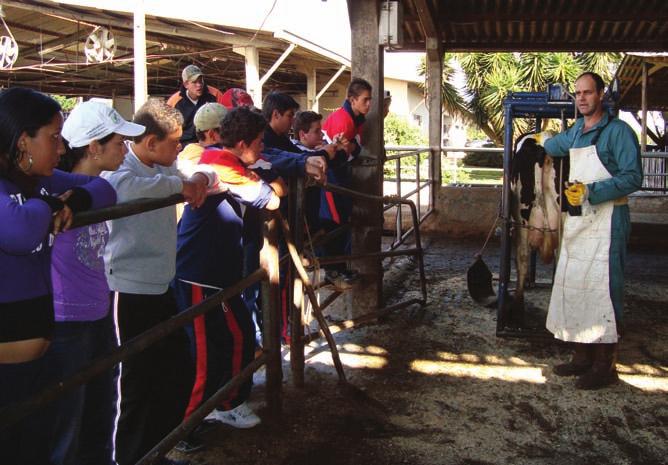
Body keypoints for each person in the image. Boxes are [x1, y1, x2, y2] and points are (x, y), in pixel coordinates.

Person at [0, 88, 116, 465]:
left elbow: (104, 189)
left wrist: (76, 201)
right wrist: (51, 204)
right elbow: (19, 231)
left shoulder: (39, 180)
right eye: (53, 137)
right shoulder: (21, 190)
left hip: (36, 364)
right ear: (22, 141)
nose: (62, 148)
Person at [101, 98, 217, 465]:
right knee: (134, 383)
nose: (179, 148)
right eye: (174, 142)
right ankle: (127, 457)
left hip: (162, 286)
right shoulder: (121, 169)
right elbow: (123, 188)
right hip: (128, 290)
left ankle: (153, 450)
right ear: (151, 143)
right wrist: (177, 184)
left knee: (175, 371)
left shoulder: (161, 167)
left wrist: (195, 178)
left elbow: (207, 175)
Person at [41, 100, 146, 465]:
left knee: (101, 412)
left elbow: (106, 193)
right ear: (93, 147)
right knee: (67, 423)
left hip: (99, 313)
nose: (125, 149)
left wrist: (85, 195)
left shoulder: (92, 189)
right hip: (66, 321)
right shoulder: (49, 191)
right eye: (118, 142)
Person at [174, 107, 284, 436]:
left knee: (237, 336)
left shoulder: (231, 162)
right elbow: (273, 199)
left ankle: (226, 404)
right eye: (260, 143)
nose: (263, 149)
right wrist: (270, 182)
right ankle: (189, 424)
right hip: (199, 271)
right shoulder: (221, 164)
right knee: (208, 348)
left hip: (219, 271)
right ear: (242, 143)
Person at [543, 71, 643, 390]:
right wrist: (537, 139)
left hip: (608, 219)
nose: (582, 98)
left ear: (601, 95)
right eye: (578, 93)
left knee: (604, 289)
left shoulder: (618, 132)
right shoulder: (576, 132)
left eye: (588, 92)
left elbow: (633, 177)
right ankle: (582, 356)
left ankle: (605, 366)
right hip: (580, 220)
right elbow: (554, 145)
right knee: (577, 284)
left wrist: (591, 191)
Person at [320, 78, 373, 287]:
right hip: (332, 176)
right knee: (334, 222)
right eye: (365, 100)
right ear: (352, 100)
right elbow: (341, 154)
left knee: (342, 221)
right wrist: (351, 148)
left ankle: (340, 268)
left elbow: (355, 148)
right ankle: (333, 270)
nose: (369, 104)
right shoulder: (344, 120)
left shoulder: (356, 119)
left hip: (341, 175)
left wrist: (352, 148)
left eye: (370, 100)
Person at [167, 64, 225, 146]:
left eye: (200, 81)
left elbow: (226, 121)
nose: (199, 85)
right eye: (194, 82)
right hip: (185, 148)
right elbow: (168, 130)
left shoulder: (215, 95)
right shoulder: (173, 102)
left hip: (212, 144)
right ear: (186, 84)